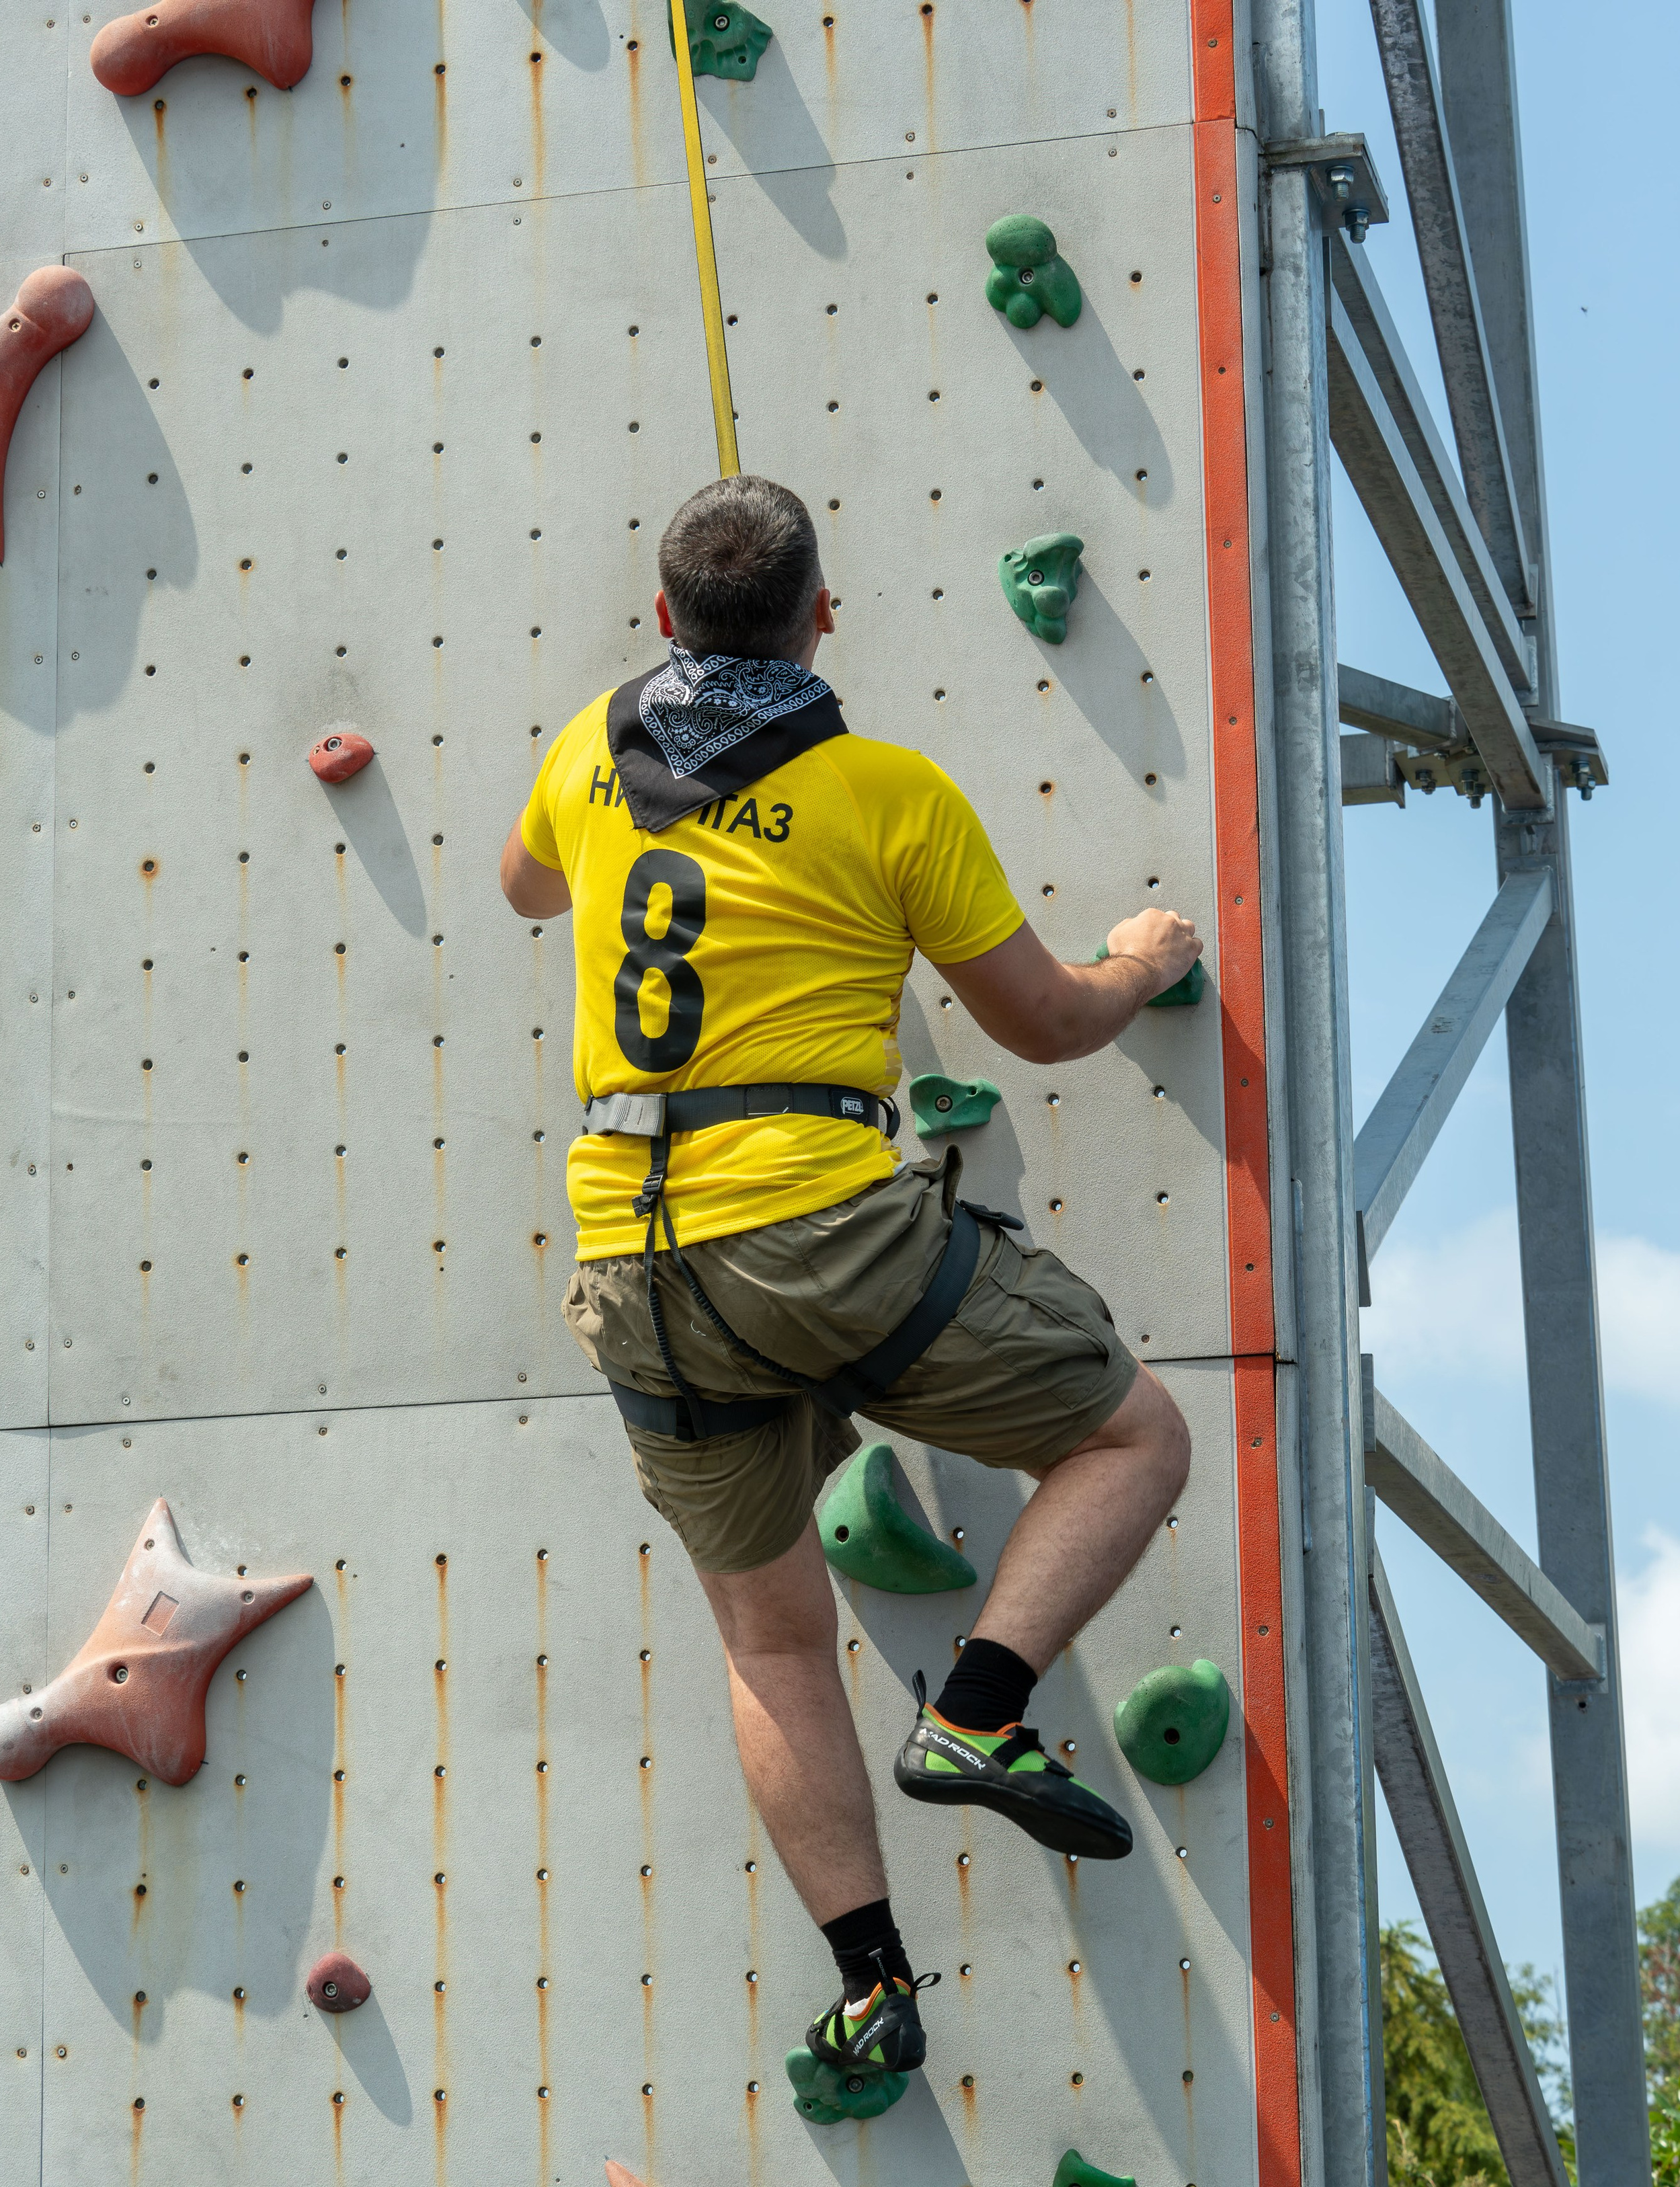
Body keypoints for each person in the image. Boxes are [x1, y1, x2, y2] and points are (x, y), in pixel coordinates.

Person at [499, 475, 1198, 2095]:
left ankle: (871, 1985)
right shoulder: (885, 791)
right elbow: (1037, 1022)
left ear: (664, 619)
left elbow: (531, 889)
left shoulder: (593, 751)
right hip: (817, 1232)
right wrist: (1139, 963)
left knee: (770, 1643)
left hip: (633, 1260)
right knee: (1129, 1440)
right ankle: (977, 1705)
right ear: (824, 616)